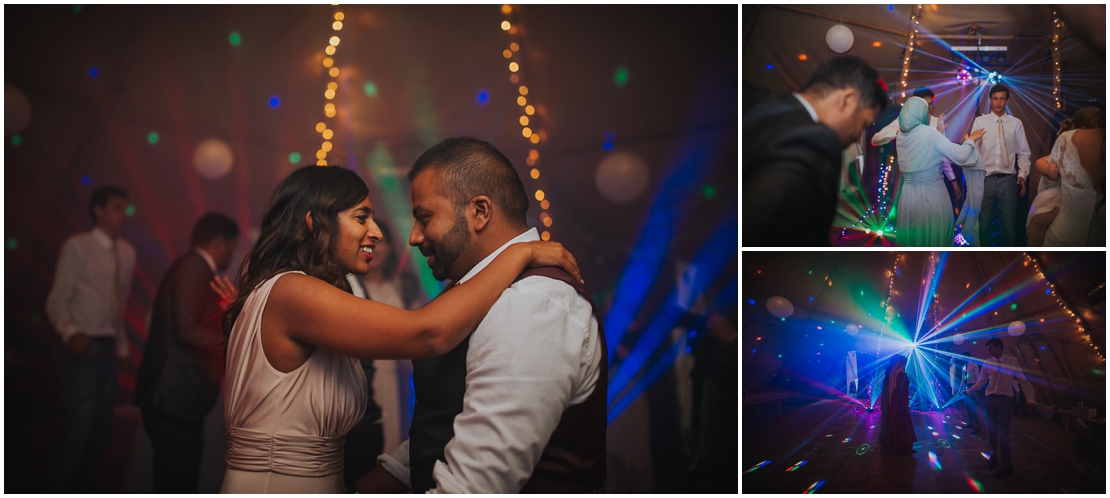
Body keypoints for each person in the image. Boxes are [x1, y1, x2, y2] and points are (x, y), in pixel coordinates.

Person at [217, 165, 581, 493]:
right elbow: (428, 333)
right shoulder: (292, 290)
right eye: (361, 218)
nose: (376, 232)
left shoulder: (299, 292)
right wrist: (518, 254)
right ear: (314, 223)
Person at [356, 137, 606, 493]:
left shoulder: (531, 302)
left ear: (480, 212)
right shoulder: (477, 292)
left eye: (424, 217)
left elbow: (474, 487)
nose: (413, 237)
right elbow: (443, 429)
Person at [134, 213, 239, 492]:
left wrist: (225, 314)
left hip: (175, 400)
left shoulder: (194, 268)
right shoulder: (194, 267)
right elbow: (186, 329)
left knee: (177, 480)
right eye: (233, 245)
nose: (233, 252)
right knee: (177, 483)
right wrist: (235, 342)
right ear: (219, 244)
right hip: (172, 399)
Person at [44, 184, 136, 492]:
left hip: (108, 345)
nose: (123, 214)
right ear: (98, 210)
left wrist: (121, 345)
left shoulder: (127, 252)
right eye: (116, 207)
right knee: (80, 428)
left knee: (101, 430)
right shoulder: (78, 246)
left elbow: (118, 304)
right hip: (80, 346)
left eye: (125, 208)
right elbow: (57, 300)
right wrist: (71, 334)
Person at [743, 55, 888, 246]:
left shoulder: (753, 100)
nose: (856, 137)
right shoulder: (816, 140)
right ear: (847, 100)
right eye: (864, 124)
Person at [341, 218, 428, 490]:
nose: (375, 247)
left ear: (391, 248)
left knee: (398, 432)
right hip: (364, 370)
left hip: (398, 372)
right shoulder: (349, 283)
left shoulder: (405, 284)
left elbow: (423, 327)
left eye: (382, 242)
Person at [893, 96, 984, 246]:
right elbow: (960, 156)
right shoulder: (930, 134)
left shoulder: (901, 136)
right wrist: (971, 139)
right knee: (934, 241)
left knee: (912, 241)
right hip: (932, 196)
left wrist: (938, 133)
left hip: (908, 197)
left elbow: (920, 156)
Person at [871, 87, 964, 204]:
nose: (929, 108)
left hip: (932, 180)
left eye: (930, 104)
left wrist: (953, 179)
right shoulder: (904, 121)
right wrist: (900, 132)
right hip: (910, 179)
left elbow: (943, 155)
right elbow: (876, 139)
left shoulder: (936, 122)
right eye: (926, 104)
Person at [964, 338, 1037, 478]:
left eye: (991, 347)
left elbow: (1023, 380)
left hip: (1005, 401)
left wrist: (1030, 399)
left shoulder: (1012, 361)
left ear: (999, 347)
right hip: (990, 400)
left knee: (1003, 433)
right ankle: (993, 456)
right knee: (991, 431)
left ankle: (1007, 465)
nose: (989, 351)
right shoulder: (987, 362)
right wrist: (968, 391)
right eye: (988, 348)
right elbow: (981, 381)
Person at [970, 84, 1032, 246]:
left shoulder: (1016, 123)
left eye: (1002, 99)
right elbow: (972, 151)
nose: (998, 102)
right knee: (982, 227)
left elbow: (1024, 152)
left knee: (1008, 227)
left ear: (1007, 100)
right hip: (985, 180)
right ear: (990, 100)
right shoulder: (980, 122)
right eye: (995, 98)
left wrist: (1022, 175)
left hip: (1008, 180)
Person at [1041, 107, 1104, 246]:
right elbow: (1041, 162)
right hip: (1058, 238)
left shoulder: (1066, 141)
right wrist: (1046, 168)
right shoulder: (1066, 142)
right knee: (1037, 223)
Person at [879, 355, 916, 455]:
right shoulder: (901, 375)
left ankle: (893, 445)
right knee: (901, 423)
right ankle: (902, 446)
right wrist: (905, 405)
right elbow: (903, 392)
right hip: (899, 404)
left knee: (894, 423)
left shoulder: (893, 374)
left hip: (893, 404)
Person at [963, 360, 983, 433]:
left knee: (973, 407)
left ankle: (977, 426)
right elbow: (963, 378)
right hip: (966, 387)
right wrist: (960, 389)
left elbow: (978, 378)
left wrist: (977, 389)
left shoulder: (974, 365)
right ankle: (970, 423)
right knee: (968, 406)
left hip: (973, 386)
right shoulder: (963, 367)